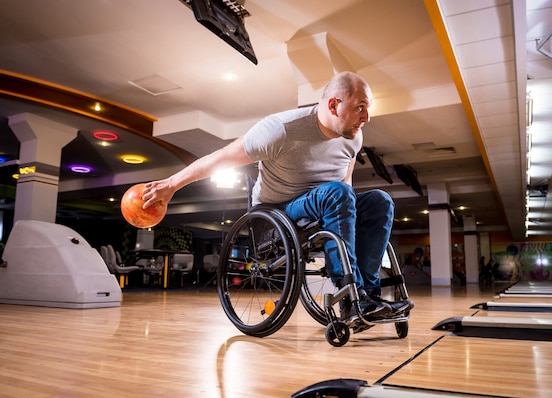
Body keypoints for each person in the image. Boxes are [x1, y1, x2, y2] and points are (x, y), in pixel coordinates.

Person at [142, 71, 413, 324]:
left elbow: (346, 182)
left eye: (368, 109)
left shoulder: (354, 137)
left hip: (324, 205)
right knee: (337, 193)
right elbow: (222, 157)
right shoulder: (281, 129)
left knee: (380, 200)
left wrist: (347, 221)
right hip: (277, 215)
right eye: (360, 107)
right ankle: (349, 293)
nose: (366, 117)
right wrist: (171, 184)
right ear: (333, 105)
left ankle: (366, 297)